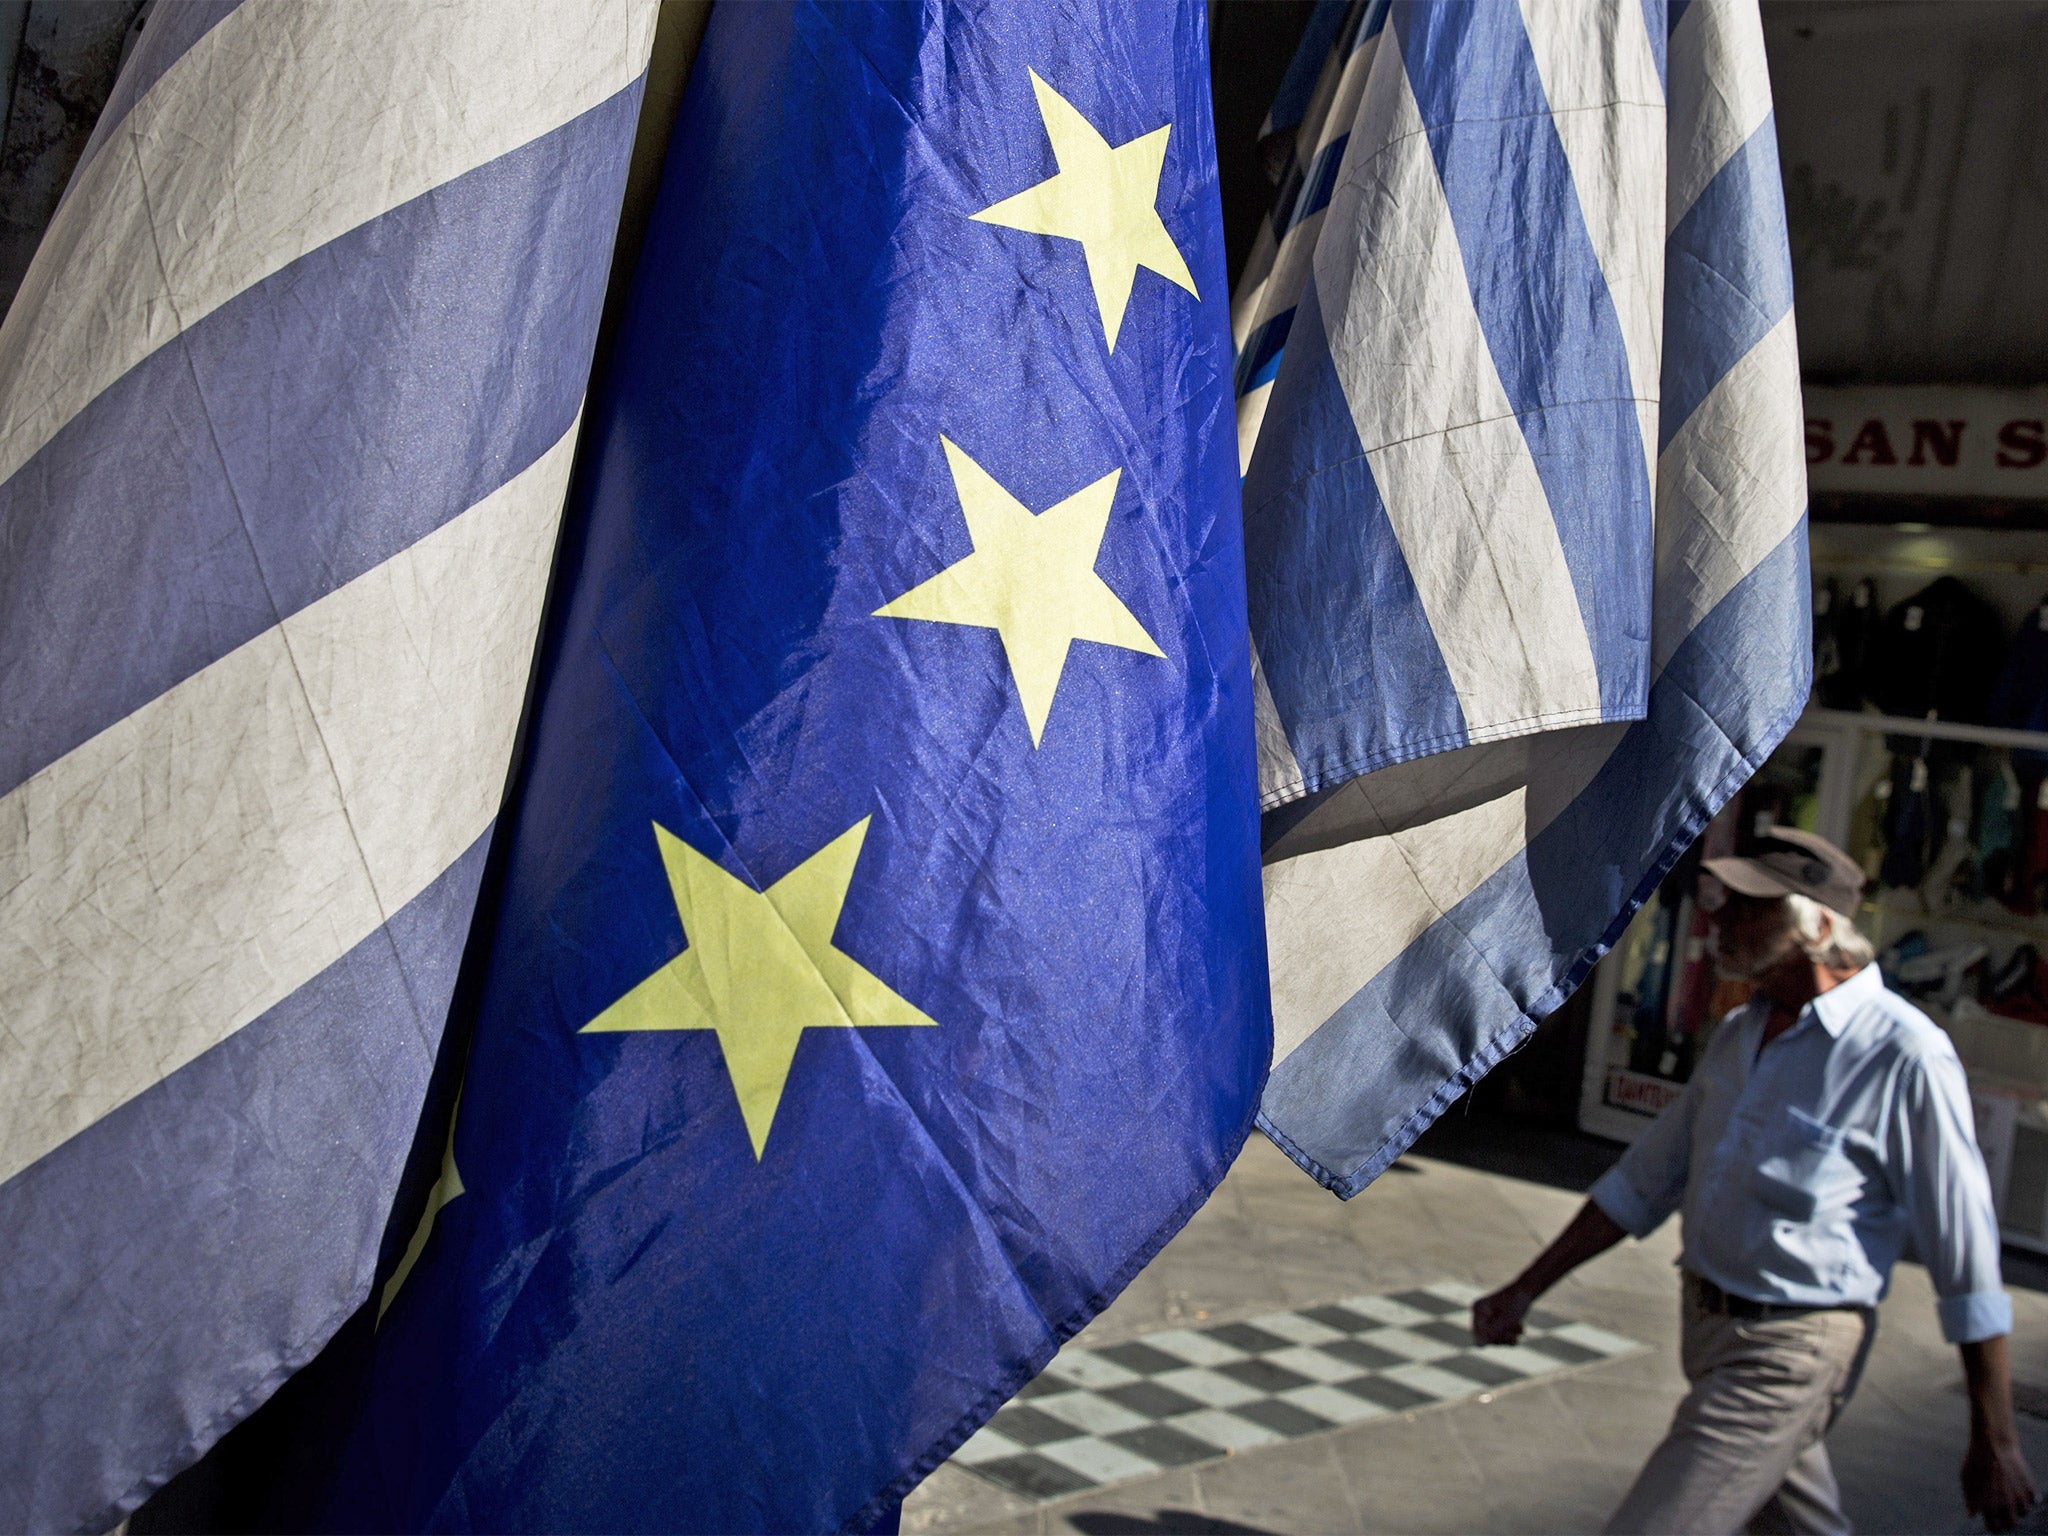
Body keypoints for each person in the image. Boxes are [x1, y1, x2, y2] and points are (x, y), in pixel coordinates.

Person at [1472, 826, 2037, 1534]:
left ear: (1822, 924)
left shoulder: (1904, 1054)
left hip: (1791, 1351)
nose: (1722, 921)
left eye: (1753, 907)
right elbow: (1645, 1180)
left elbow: (1968, 1257)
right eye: (1724, 902)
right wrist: (1526, 1285)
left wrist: (1997, 1436)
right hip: (1706, 1333)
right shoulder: (1742, 1032)